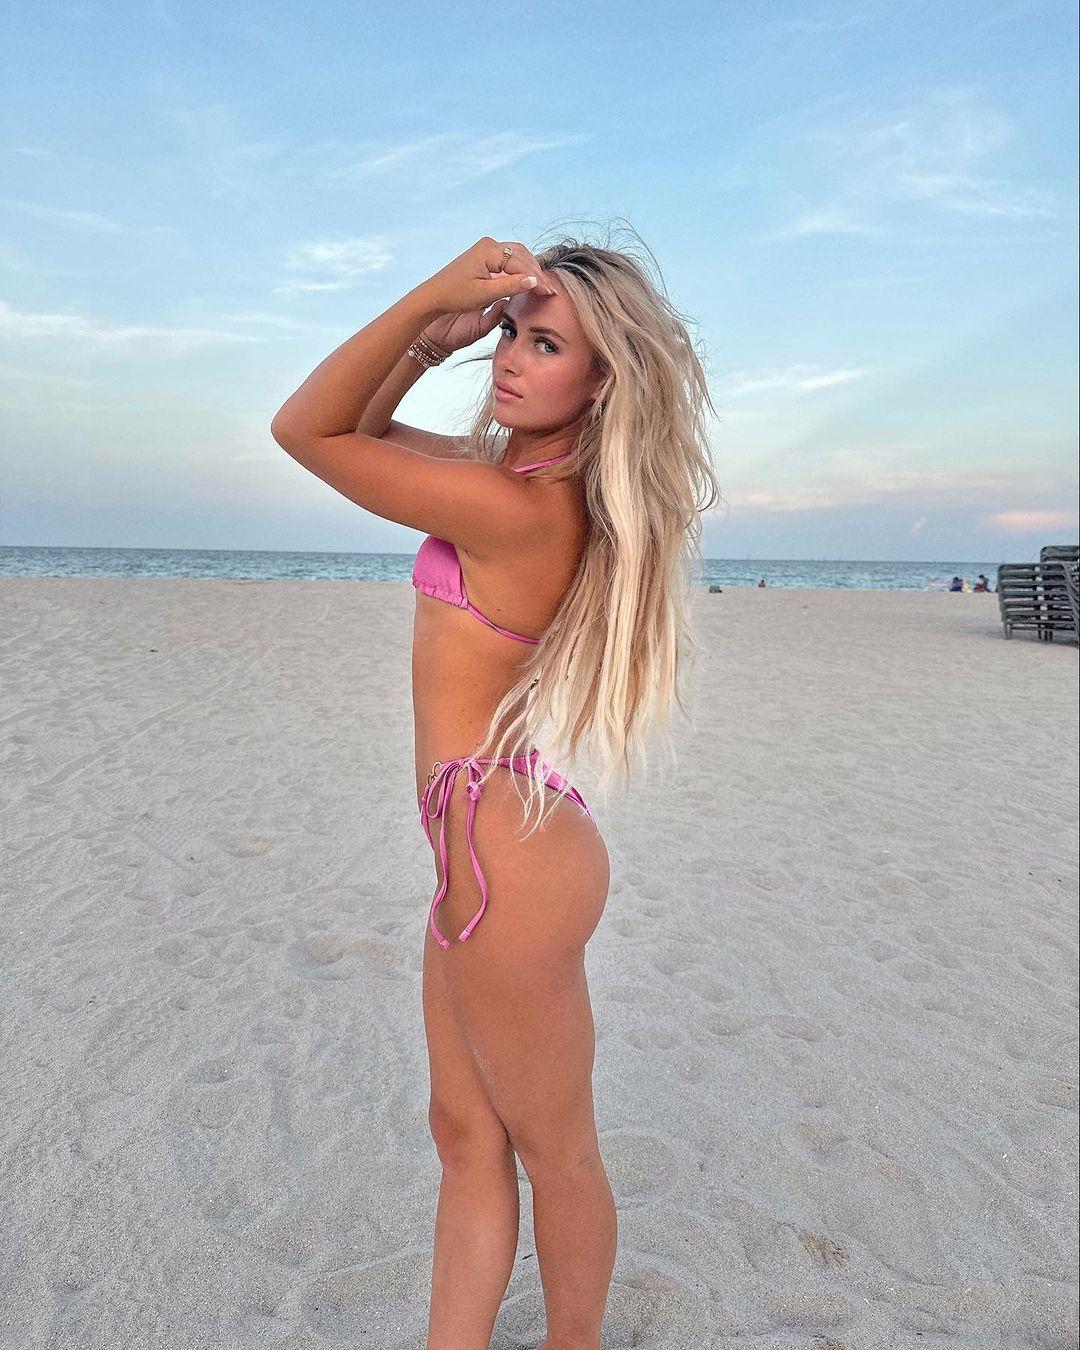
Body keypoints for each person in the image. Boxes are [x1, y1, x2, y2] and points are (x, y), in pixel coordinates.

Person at [270, 230, 720, 1349]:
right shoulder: (501, 480)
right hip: (480, 849)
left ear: (603, 379)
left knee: (555, 1148)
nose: (512, 355)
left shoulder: (523, 509)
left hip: (512, 867)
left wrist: (429, 298)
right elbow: (360, 429)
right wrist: (432, 344)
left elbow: (304, 430)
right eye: (512, 331)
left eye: (547, 341)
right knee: (465, 1133)